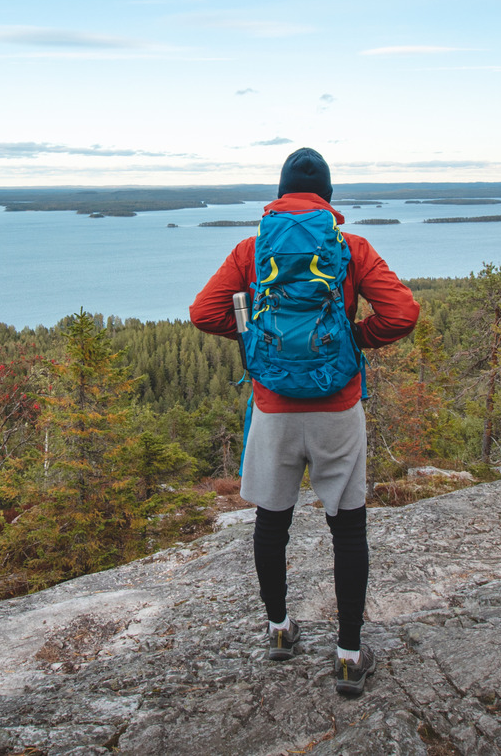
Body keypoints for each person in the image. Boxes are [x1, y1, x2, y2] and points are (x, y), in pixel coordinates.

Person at [189, 147, 419, 696]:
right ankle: (347, 654)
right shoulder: (350, 247)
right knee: (349, 527)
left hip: (273, 410)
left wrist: (259, 346)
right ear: (329, 198)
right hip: (338, 409)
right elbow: (402, 314)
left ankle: (278, 630)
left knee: (273, 522)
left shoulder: (252, 249)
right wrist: (352, 341)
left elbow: (204, 312)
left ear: (280, 191)